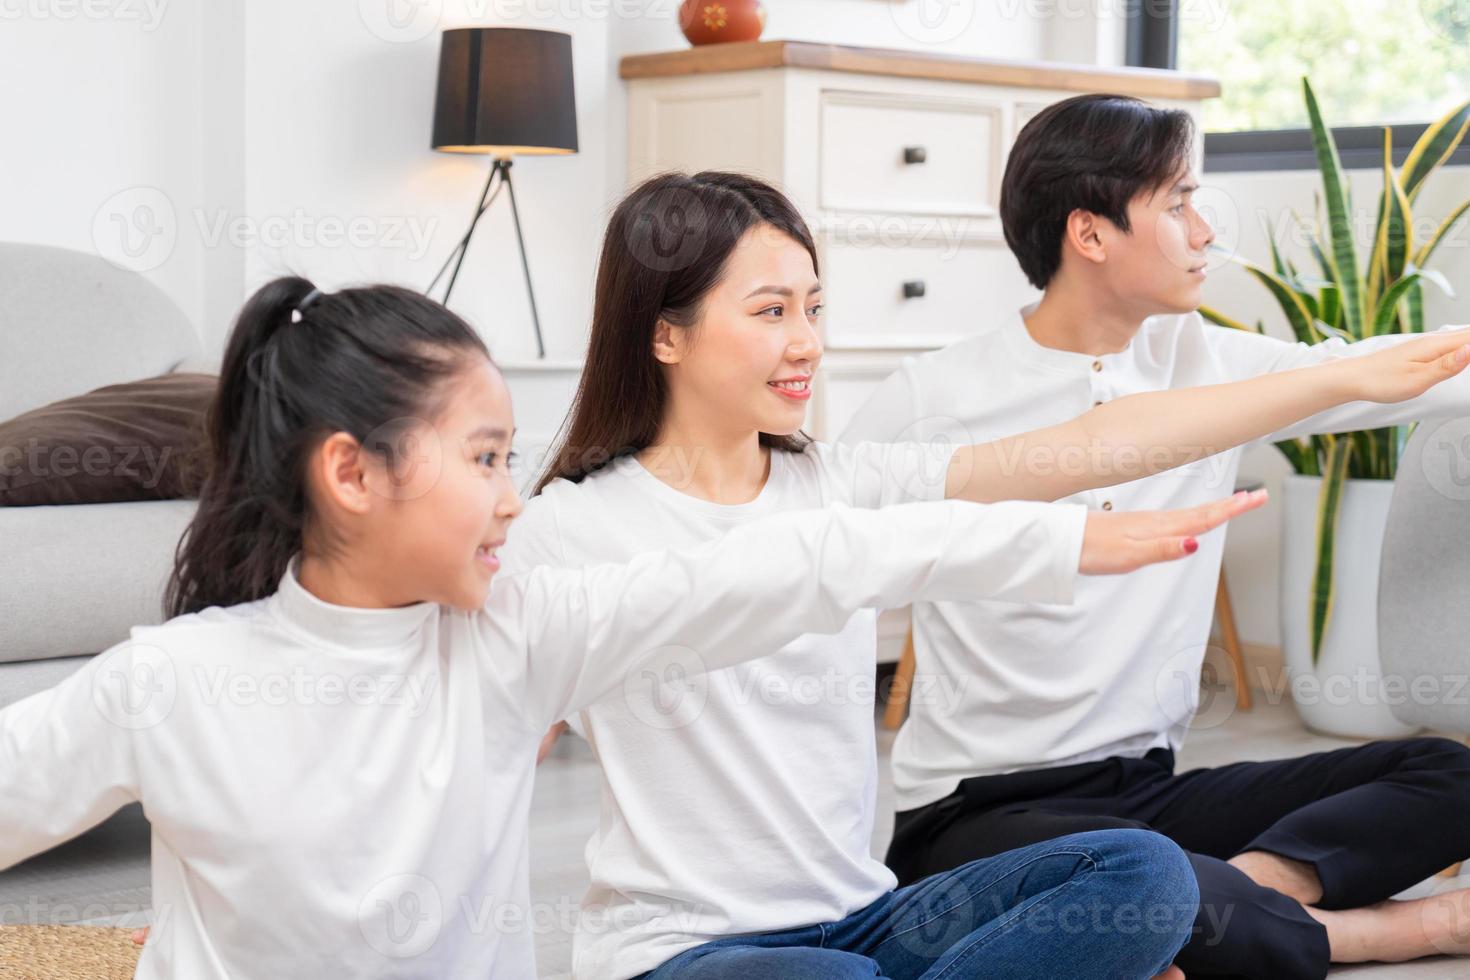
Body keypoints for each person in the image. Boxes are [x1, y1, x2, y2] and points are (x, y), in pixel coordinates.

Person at [0, 277, 1193, 979]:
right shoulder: (174, 680)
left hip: (819, 914)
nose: (512, 493)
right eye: (481, 457)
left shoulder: (515, 635)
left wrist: (1056, 539)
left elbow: (790, 567)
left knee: (1142, 873)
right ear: (352, 474)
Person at [505, 170, 1470, 979]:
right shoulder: (572, 529)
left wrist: (1351, 376)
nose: (806, 341)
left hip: (867, 918)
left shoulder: (840, 479)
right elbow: (494, 731)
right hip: (687, 951)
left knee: (1143, 875)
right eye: (769, 312)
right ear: (664, 334)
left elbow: (1084, 446)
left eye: (812, 307)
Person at [841, 92, 1470, 977]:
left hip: (1147, 790)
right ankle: (1406, 929)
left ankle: (1216, 899)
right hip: (975, 814)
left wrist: (1219, 887)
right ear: (1090, 234)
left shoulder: (1208, 366)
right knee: (1142, 877)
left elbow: (1403, 372)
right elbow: (800, 547)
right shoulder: (934, 396)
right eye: (1177, 204)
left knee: (1451, 772)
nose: (1204, 229)